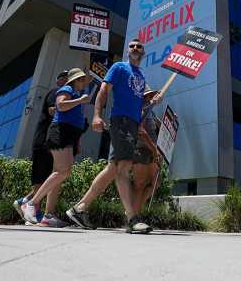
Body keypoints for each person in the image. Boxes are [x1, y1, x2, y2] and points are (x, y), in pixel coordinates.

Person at [67, 39, 161, 234]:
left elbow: (139, 103)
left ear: (143, 52)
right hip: (121, 121)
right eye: (132, 45)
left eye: (139, 46)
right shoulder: (119, 67)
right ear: (128, 50)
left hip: (133, 124)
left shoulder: (141, 76)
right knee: (123, 167)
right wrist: (96, 115)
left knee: (112, 168)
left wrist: (153, 100)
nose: (135, 48)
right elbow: (103, 90)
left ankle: (79, 209)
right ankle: (132, 219)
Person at [65, 89, 158, 230]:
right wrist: (154, 149)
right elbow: (140, 130)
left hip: (127, 140)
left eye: (151, 95)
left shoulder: (143, 107)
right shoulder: (134, 106)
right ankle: (132, 219)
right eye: (148, 95)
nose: (150, 97)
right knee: (118, 172)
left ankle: (80, 208)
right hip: (126, 139)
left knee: (112, 171)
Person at [20, 68, 91, 227]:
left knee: (59, 174)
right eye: (80, 79)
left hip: (70, 134)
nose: (82, 82)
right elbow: (60, 106)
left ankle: (48, 216)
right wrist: (80, 100)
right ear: (73, 80)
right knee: (62, 171)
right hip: (61, 131)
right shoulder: (67, 89)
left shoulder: (77, 93)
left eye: (83, 79)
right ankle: (31, 203)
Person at [13, 70, 69, 225]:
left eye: (69, 78)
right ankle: (33, 213)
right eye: (63, 78)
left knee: (50, 178)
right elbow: (52, 109)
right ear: (58, 81)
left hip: (54, 143)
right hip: (43, 141)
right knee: (41, 178)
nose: (67, 81)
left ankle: (23, 201)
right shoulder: (56, 92)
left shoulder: (67, 95)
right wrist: (70, 106)